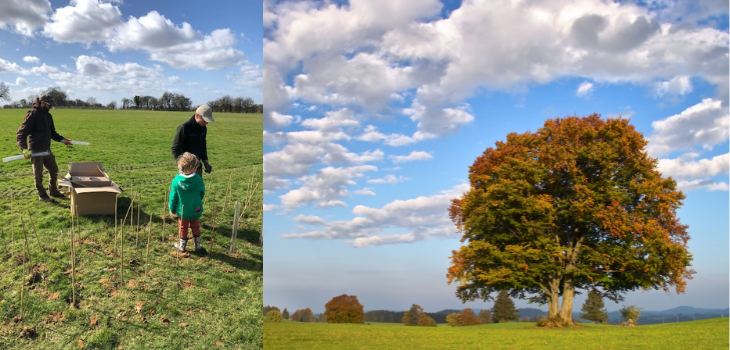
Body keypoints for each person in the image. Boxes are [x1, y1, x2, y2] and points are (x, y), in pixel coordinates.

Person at [16, 94, 73, 202]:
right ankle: (42, 195)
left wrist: (63, 140)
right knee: (38, 174)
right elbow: (20, 134)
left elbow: (53, 133)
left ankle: (53, 190)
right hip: (36, 151)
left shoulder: (48, 116)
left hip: (47, 150)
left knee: (54, 170)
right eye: (49, 105)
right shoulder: (32, 115)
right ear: (42, 103)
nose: (50, 107)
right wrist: (24, 149)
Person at [169, 152, 207, 254]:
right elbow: (202, 192)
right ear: (194, 167)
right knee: (195, 226)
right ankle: (197, 245)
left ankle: (182, 246)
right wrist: (198, 201)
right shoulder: (198, 180)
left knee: (183, 227)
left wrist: (172, 209)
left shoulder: (176, 181)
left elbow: (173, 197)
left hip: (183, 210)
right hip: (196, 209)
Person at [171, 104, 214, 176]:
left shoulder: (203, 128)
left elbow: (203, 146)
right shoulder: (184, 128)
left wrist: (205, 161)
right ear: (197, 116)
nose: (207, 123)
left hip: (198, 167)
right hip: (186, 168)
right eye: (205, 120)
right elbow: (175, 148)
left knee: (197, 186)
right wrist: (181, 165)